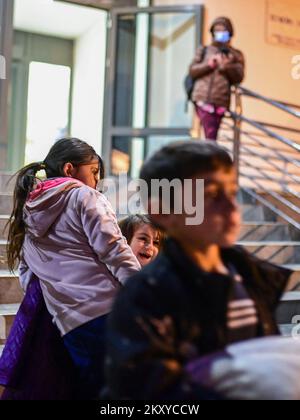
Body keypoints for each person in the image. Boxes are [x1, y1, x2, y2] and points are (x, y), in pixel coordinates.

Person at [106, 141, 295, 399]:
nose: (232, 207)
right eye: (211, 195)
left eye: (232, 192)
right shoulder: (146, 296)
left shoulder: (250, 276)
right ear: (162, 211)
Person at [3, 138, 140, 400]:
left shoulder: (30, 208)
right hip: (105, 311)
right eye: (94, 172)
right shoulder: (84, 196)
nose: (97, 181)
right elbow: (115, 250)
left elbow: (27, 273)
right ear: (69, 169)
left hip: (69, 322)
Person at [189, 17, 245, 141]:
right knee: (209, 134)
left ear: (229, 33)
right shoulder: (204, 50)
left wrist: (225, 66)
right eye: (217, 30)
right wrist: (209, 65)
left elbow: (239, 76)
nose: (220, 33)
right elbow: (192, 71)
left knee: (211, 135)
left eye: (223, 30)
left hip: (220, 100)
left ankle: (208, 156)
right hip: (202, 97)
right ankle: (208, 156)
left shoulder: (235, 55)